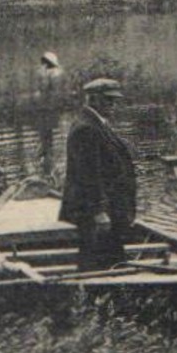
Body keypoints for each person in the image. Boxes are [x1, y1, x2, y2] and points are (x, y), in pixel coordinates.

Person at [59, 77, 138, 271]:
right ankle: (92, 294)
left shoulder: (96, 124)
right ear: (93, 100)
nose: (113, 105)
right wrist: (99, 211)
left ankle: (103, 293)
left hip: (109, 208)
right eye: (107, 100)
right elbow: (88, 176)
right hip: (97, 212)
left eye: (114, 101)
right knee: (96, 259)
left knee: (109, 257)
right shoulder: (86, 128)